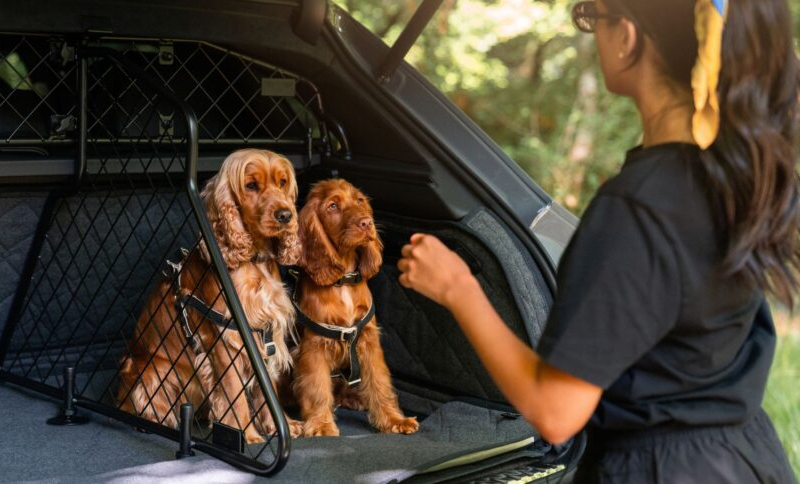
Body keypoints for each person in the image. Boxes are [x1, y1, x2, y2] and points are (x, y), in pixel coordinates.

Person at [397, 0, 799, 482]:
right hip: (743, 456)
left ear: (628, 37)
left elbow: (556, 411)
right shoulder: (729, 175)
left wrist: (457, 288)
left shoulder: (639, 206)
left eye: (592, 17)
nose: (592, 32)